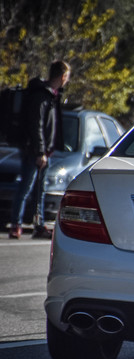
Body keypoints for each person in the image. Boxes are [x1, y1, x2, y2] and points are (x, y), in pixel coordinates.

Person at [9, 60, 71, 239]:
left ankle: (39, 224)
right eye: (66, 76)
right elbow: (36, 125)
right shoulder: (41, 96)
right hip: (34, 151)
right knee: (26, 187)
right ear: (62, 76)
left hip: (43, 151)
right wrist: (40, 151)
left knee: (40, 190)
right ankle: (16, 224)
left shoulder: (51, 95)